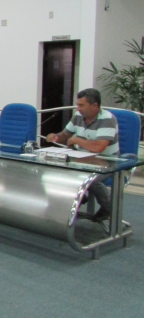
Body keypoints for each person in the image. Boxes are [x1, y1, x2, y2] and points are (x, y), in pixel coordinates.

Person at [46, 88, 119, 222]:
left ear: (94, 105)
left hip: (106, 161)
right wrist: (56, 137)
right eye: (77, 105)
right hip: (81, 159)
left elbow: (98, 147)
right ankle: (77, 198)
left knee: (89, 179)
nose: (78, 109)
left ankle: (108, 208)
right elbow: (66, 135)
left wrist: (77, 140)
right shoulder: (78, 116)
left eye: (81, 105)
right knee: (55, 172)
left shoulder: (107, 119)